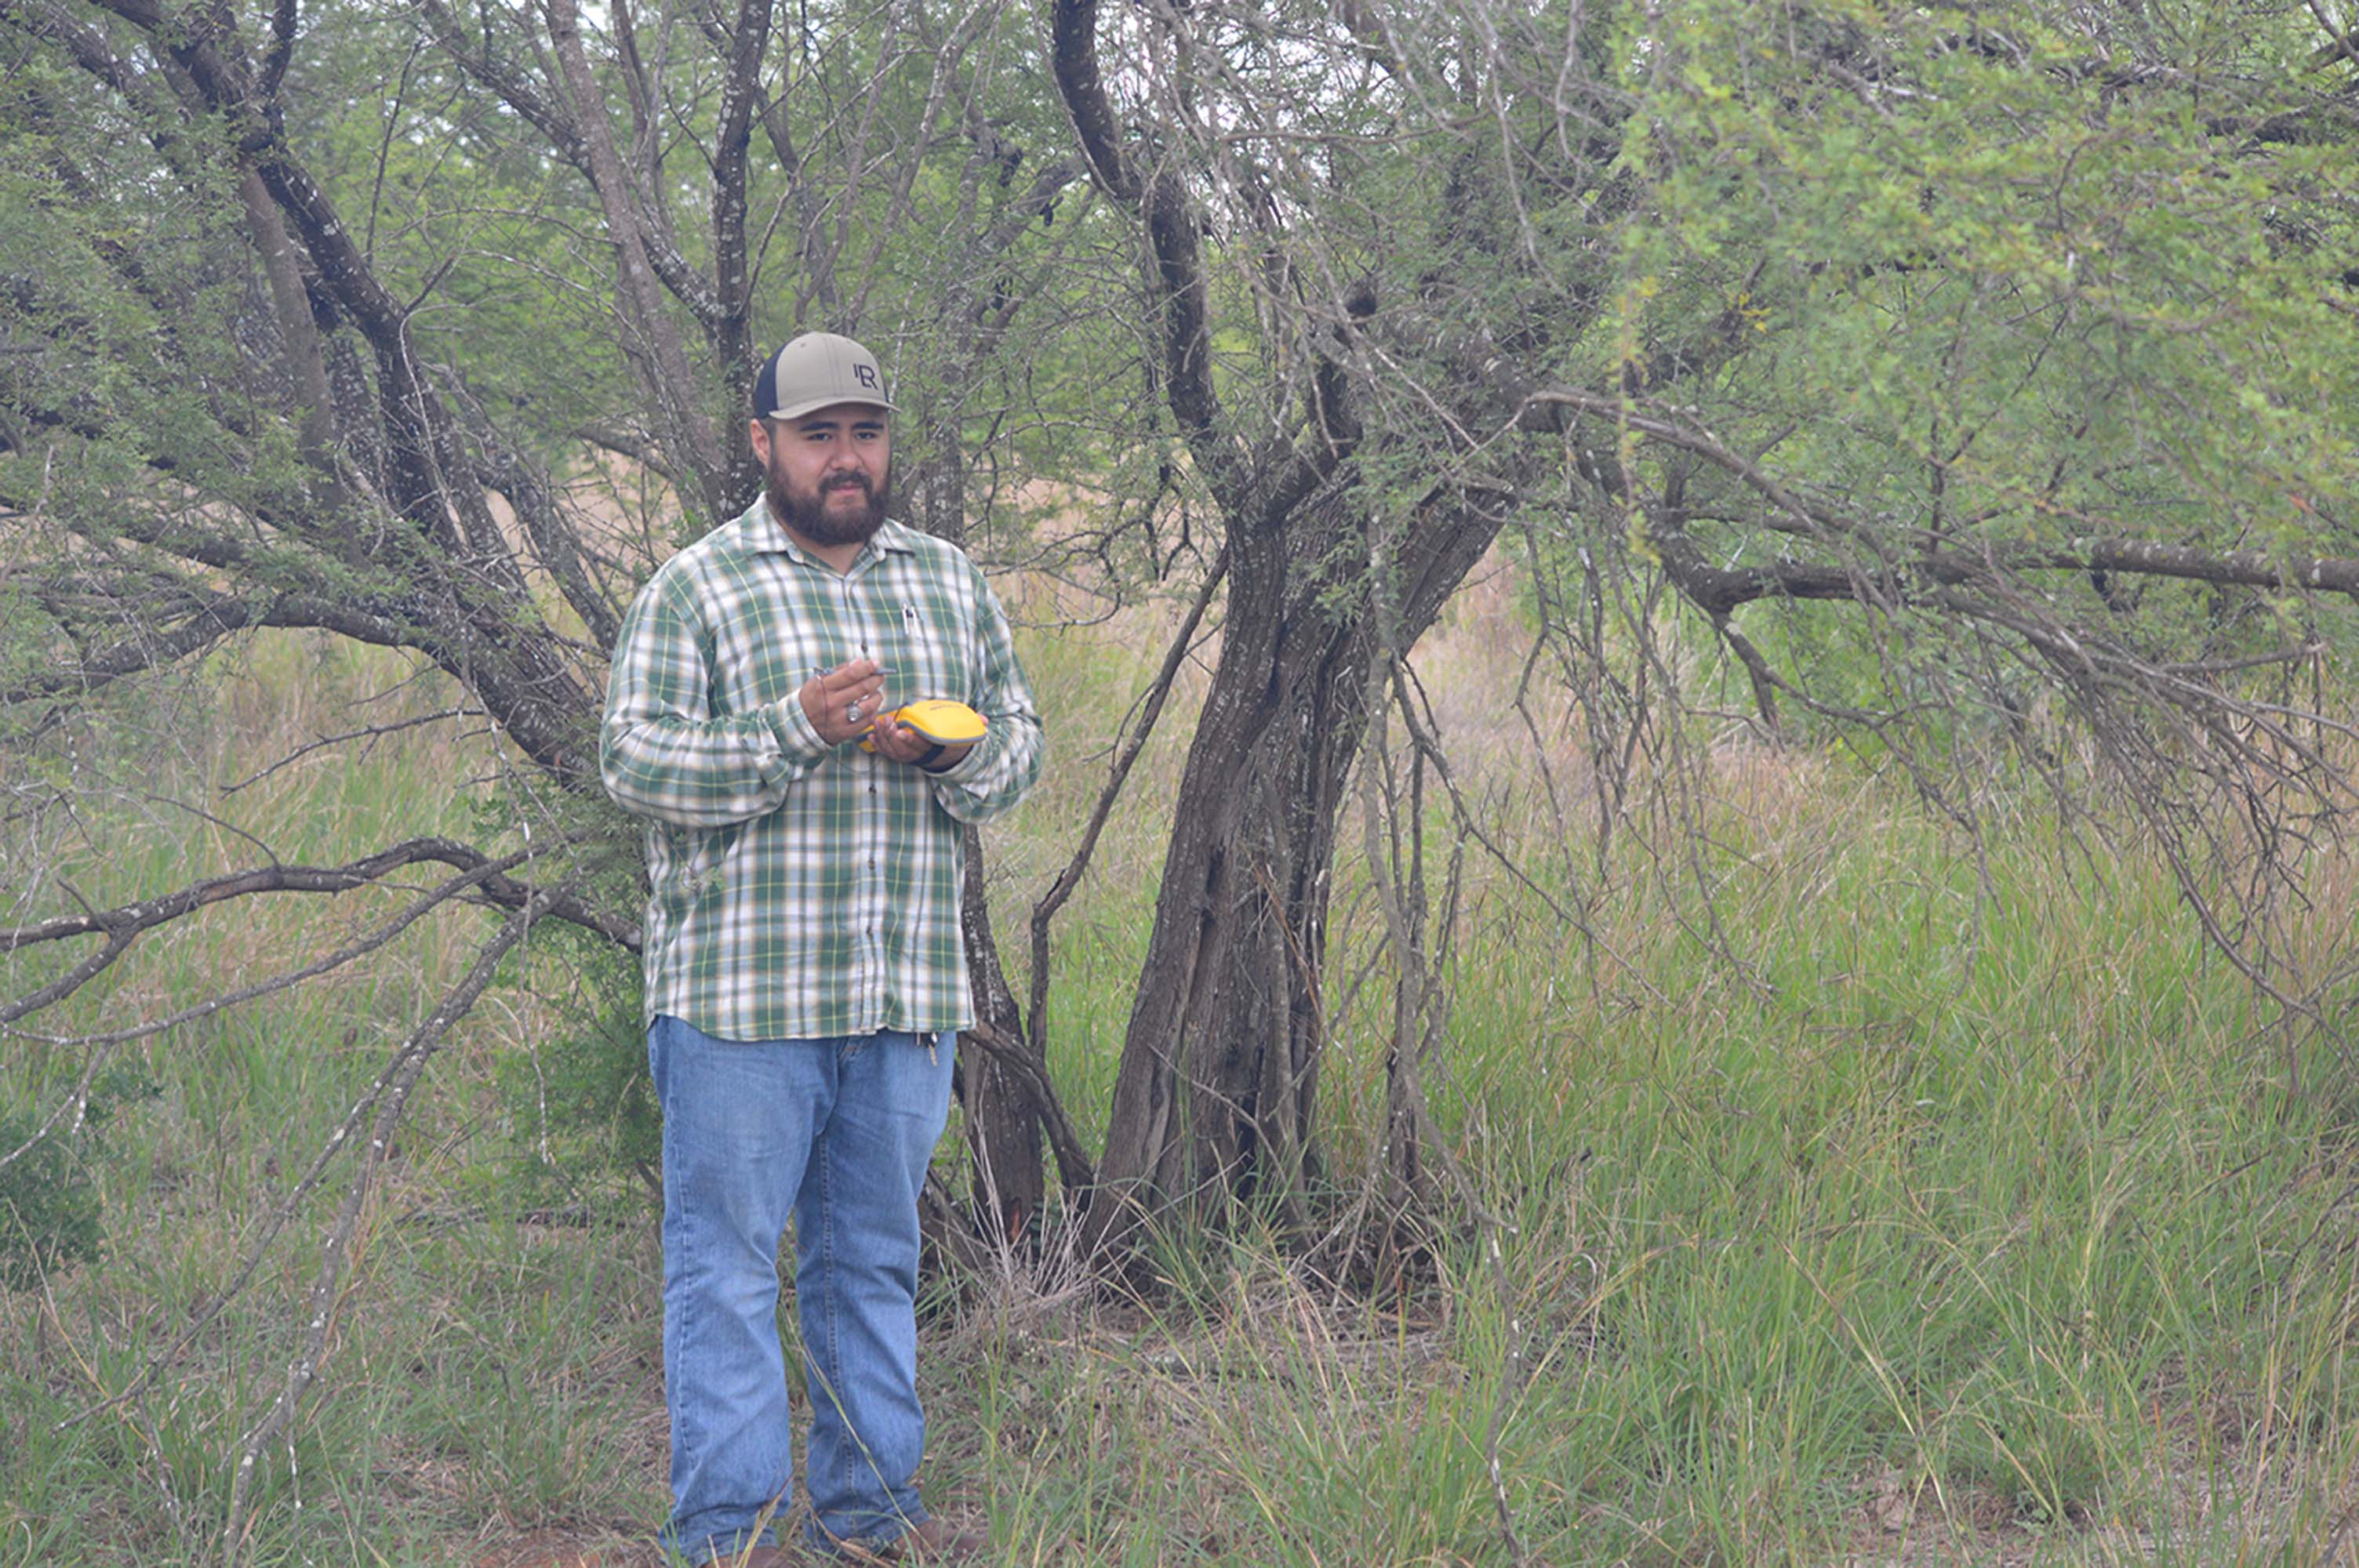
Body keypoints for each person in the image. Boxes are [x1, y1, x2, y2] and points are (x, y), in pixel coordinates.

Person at [600, 331, 1043, 1564]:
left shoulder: (946, 582)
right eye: (818, 435)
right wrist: (792, 730)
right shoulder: (697, 586)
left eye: (865, 432)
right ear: (762, 444)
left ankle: (867, 1532)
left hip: (901, 1002)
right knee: (726, 1284)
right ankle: (731, 1542)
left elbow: (1020, 744)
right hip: (739, 1009)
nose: (847, 460)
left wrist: (951, 753)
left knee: (869, 1275)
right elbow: (632, 762)